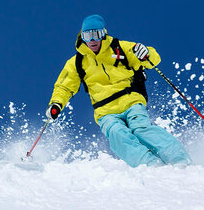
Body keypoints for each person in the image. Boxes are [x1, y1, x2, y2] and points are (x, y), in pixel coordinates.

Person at [46, 14, 192, 167]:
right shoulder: (77, 62)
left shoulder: (121, 48)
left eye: (96, 35)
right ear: (82, 37)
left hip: (131, 101)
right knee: (117, 134)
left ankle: (179, 160)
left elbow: (153, 60)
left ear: (103, 34)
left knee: (141, 129)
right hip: (105, 110)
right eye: (87, 36)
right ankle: (150, 165)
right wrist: (56, 104)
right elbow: (64, 86)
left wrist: (145, 53)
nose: (92, 40)